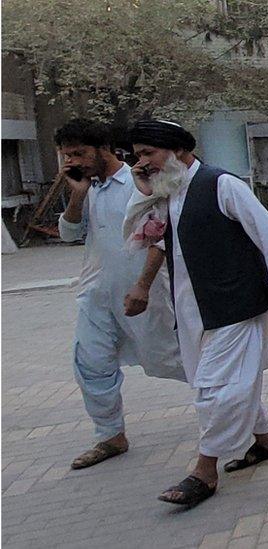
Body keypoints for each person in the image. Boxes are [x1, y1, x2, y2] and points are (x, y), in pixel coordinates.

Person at [126, 120, 268, 507]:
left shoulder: (221, 183)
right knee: (230, 380)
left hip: (236, 305)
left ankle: (205, 470)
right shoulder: (167, 190)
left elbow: (266, 230)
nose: (142, 162)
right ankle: (266, 440)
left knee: (215, 388)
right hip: (193, 309)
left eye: (148, 154)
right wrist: (143, 190)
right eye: (137, 156)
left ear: (176, 150)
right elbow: (140, 236)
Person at [56, 119, 184, 470]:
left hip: (144, 294)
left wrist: (142, 285)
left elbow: (159, 235)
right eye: (66, 156)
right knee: (91, 364)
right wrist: (78, 195)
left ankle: (248, 417)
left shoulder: (138, 183)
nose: (73, 162)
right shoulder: (89, 188)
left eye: (79, 153)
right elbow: (68, 235)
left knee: (177, 360)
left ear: (104, 149)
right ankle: (110, 435)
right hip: (96, 295)